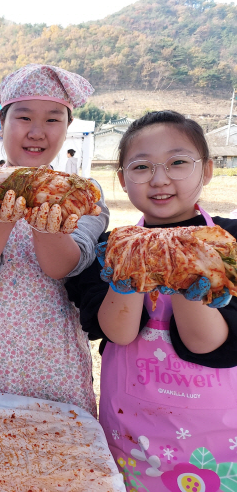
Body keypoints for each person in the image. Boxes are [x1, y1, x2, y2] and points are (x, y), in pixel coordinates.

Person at [65, 111, 237, 487]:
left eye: (178, 162)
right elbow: (118, 333)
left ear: (206, 170)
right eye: (141, 167)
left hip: (218, 445)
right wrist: (126, 276)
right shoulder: (110, 248)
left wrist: (188, 272)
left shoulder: (229, 241)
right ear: (123, 180)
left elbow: (207, 342)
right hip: (131, 439)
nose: (160, 179)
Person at [0, 64, 108, 416]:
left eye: (52, 119)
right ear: (2, 123)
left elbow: (62, 266)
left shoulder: (82, 195)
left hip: (55, 361)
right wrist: (0, 215)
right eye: (23, 117)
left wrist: (44, 219)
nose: (37, 131)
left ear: (67, 128)